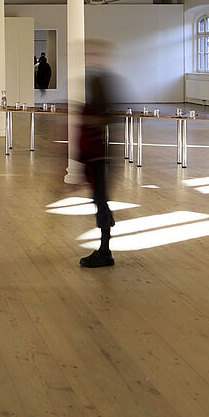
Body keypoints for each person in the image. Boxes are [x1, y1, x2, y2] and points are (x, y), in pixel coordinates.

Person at [75, 41, 125, 268]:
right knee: (99, 199)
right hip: (97, 154)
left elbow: (108, 117)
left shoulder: (101, 81)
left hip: (101, 155)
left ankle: (105, 252)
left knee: (101, 200)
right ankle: (105, 249)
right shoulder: (96, 80)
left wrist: (86, 118)